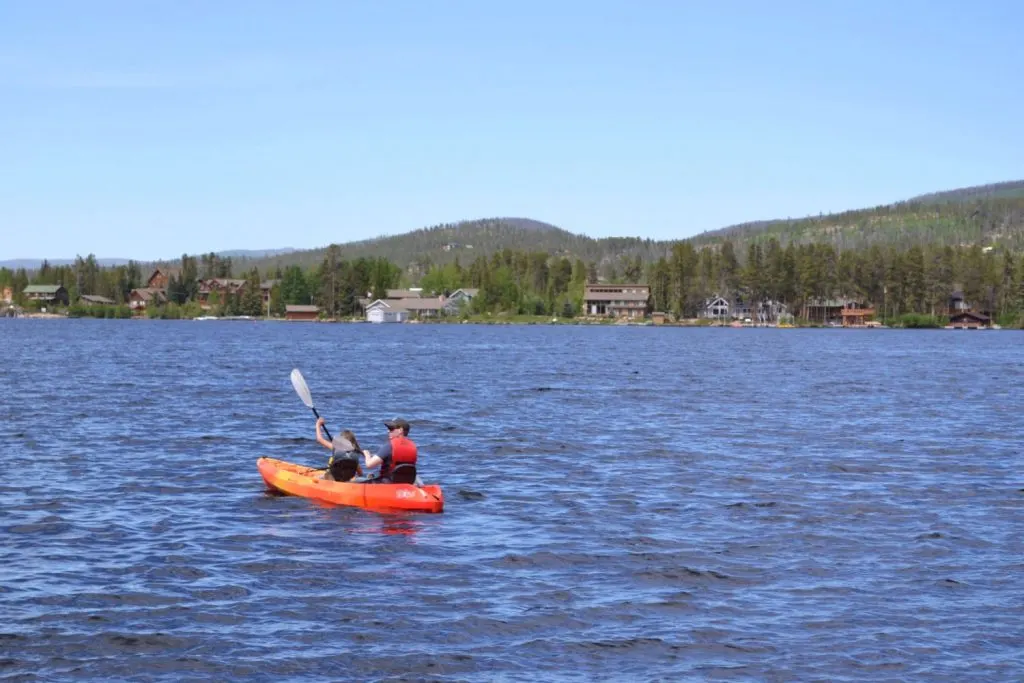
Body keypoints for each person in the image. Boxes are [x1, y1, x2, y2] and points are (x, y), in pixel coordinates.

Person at [356, 417, 419, 484]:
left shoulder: (389, 446)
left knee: (358, 483)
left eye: (391, 429)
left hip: (388, 482)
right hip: (406, 483)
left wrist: (367, 455)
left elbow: (369, 465)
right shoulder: (413, 446)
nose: (388, 431)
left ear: (400, 430)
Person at [315, 418, 363, 482]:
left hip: (332, 479)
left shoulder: (335, 448)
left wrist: (318, 424)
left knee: (316, 478)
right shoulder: (354, 454)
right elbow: (360, 473)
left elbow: (319, 439)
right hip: (346, 480)